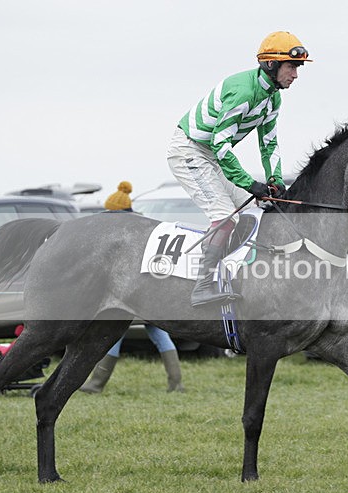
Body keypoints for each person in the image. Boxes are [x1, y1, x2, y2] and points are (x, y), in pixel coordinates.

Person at [167, 31, 312, 307]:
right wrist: (250, 183)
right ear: (271, 64)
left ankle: (228, 273)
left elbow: (269, 143)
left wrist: (275, 180)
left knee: (250, 213)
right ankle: (201, 286)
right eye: (292, 67)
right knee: (224, 216)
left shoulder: (273, 98)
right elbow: (220, 144)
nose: (295, 75)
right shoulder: (244, 92)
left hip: (210, 155)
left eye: (297, 68)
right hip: (189, 150)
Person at [79, 181, 185, 393]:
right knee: (158, 333)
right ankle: (176, 383)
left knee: (115, 333)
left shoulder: (126, 231)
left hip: (133, 292)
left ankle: (96, 383)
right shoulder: (144, 226)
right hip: (151, 292)